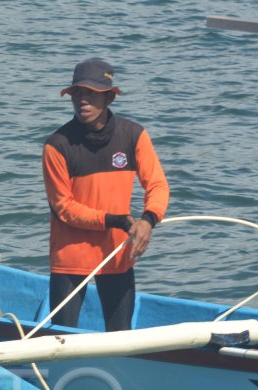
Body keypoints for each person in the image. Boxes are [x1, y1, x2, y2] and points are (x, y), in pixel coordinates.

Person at [42, 58, 169, 331]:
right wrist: (119, 221)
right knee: (60, 341)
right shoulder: (57, 145)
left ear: (109, 98)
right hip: (71, 259)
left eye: (91, 94)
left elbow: (157, 185)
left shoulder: (133, 135)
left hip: (117, 254)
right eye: (77, 93)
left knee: (121, 337)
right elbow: (64, 208)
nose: (82, 101)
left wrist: (148, 219)